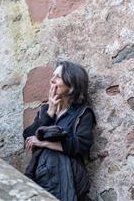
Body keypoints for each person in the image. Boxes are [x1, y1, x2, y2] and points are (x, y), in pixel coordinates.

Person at [23, 61, 96, 200]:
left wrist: (44, 143)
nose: (52, 80)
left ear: (71, 85)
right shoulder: (45, 110)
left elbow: (81, 146)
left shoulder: (82, 113)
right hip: (42, 176)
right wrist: (49, 113)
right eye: (53, 75)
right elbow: (28, 137)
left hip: (68, 178)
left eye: (58, 77)